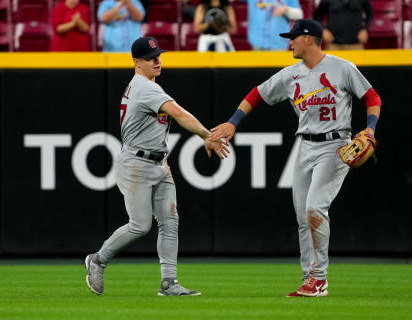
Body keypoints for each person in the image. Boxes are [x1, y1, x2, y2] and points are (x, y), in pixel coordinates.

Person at [210, 19, 381, 297]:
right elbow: (257, 94)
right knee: (303, 216)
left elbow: (373, 98)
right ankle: (309, 278)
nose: (289, 42)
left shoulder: (342, 67)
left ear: (310, 39)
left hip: (335, 145)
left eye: (293, 38)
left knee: (315, 208)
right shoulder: (291, 74)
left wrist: (370, 129)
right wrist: (232, 123)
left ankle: (319, 278)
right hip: (304, 146)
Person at [85, 36, 229, 297]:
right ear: (137, 63)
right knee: (140, 225)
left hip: (157, 162)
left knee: (170, 221)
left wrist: (163, 159)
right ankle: (98, 259)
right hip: (136, 163)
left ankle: (169, 282)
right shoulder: (143, 86)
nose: (158, 60)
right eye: (151, 58)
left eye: (159, 55)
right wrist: (207, 135)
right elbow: (179, 113)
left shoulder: (148, 84)